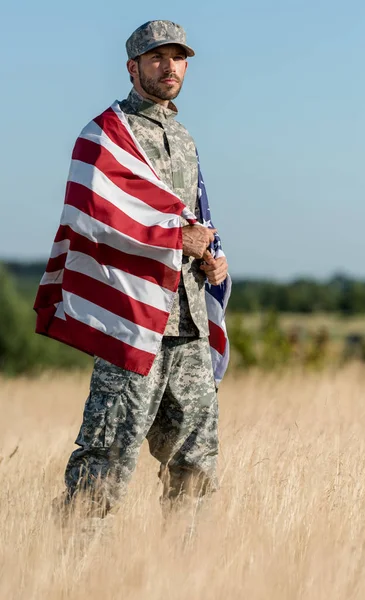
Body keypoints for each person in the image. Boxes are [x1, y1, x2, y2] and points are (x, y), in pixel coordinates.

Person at [59, 20, 229, 519]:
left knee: (196, 464)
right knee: (105, 458)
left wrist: (211, 257)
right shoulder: (107, 134)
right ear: (132, 67)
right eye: (157, 57)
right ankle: (70, 574)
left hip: (190, 322)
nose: (169, 66)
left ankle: (182, 576)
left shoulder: (184, 137)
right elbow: (95, 216)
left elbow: (196, 217)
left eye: (178, 57)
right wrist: (178, 240)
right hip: (134, 321)